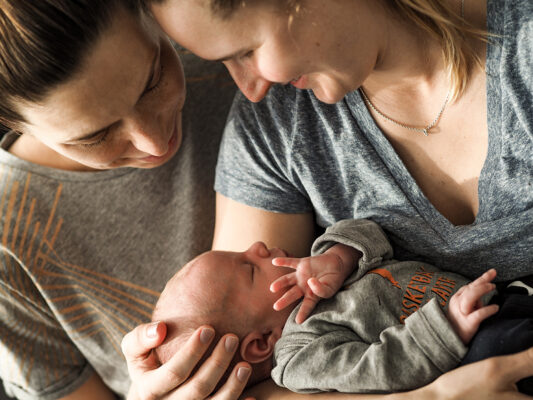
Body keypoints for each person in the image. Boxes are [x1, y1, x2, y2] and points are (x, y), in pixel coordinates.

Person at [122, 0, 533, 399]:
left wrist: (338, 256)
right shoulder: (276, 127)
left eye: (246, 51)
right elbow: (248, 382)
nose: (249, 89)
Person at [0, 1, 248, 399]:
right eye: (95, 136)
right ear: (13, 122)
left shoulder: (234, 55)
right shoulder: (10, 239)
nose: (154, 139)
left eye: (153, 80)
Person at [152, 218, 510, 394]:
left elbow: (375, 235)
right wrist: (447, 328)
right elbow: (375, 369)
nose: (257, 246)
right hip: (467, 347)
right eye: (248, 267)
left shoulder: (314, 273)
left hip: (493, 297)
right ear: (261, 342)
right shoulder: (299, 357)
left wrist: (338, 256)